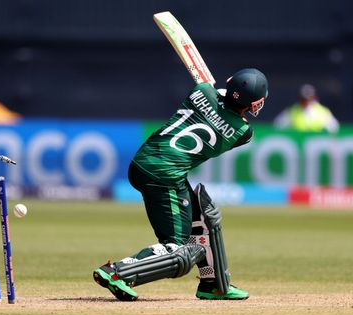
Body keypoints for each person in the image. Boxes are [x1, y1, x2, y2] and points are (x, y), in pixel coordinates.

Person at [93, 68, 268, 301]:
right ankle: (116, 272)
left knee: (204, 216)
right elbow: (231, 114)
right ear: (254, 103)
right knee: (178, 249)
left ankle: (213, 284)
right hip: (163, 175)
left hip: (146, 161)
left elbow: (217, 97)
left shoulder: (202, 90)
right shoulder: (243, 132)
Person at [273, 83, 339, 133]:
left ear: (314, 98)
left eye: (309, 99)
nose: (306, 102)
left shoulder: (323, 112)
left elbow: (334, 129)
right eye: (304, 99)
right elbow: (277, 126)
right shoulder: (292, 111)